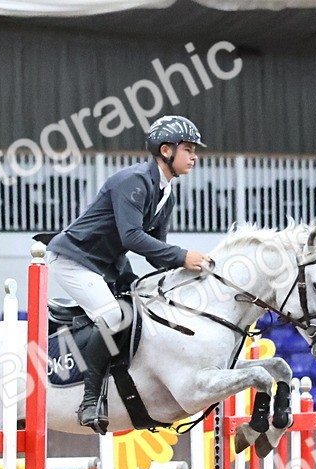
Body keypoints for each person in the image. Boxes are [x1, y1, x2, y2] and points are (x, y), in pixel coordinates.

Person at [45, 115, 212, 434]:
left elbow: (156, 252)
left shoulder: (166, 193)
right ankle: (90, 400)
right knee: (111, 317)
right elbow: (132, 237)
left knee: (143, 309)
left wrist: (190, 277)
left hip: (108, 264)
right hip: (75, 258)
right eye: (188, 149)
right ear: (166, 150)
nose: (194, 156)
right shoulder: (133, 181)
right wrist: (183, 256)